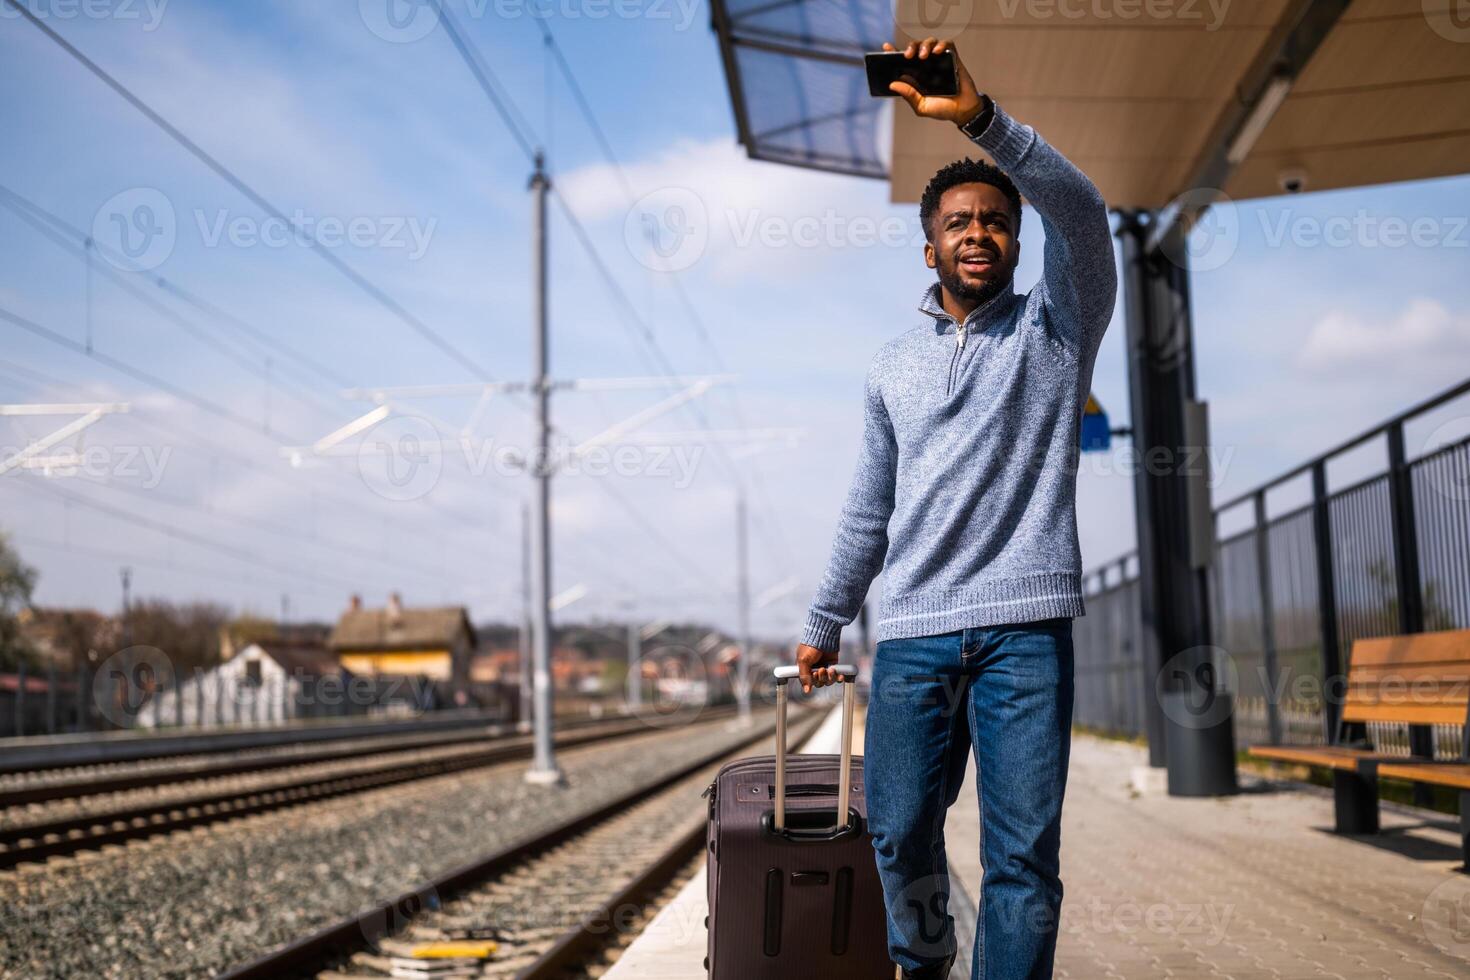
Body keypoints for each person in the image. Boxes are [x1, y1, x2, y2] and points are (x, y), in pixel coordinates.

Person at [793, 36, 1116, 980]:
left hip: (1025, 630)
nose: (979, 234)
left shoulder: (1059, 326)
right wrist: (825, 619)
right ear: (929, 241)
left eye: (996, 223)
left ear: (1015, 241)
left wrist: (979, 120)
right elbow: (870, 506)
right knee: (897, 833)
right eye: (960, 222)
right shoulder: (890, 363)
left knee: (1021, 862)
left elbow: (1085, 213)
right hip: (915, 634)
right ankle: (925, 968)